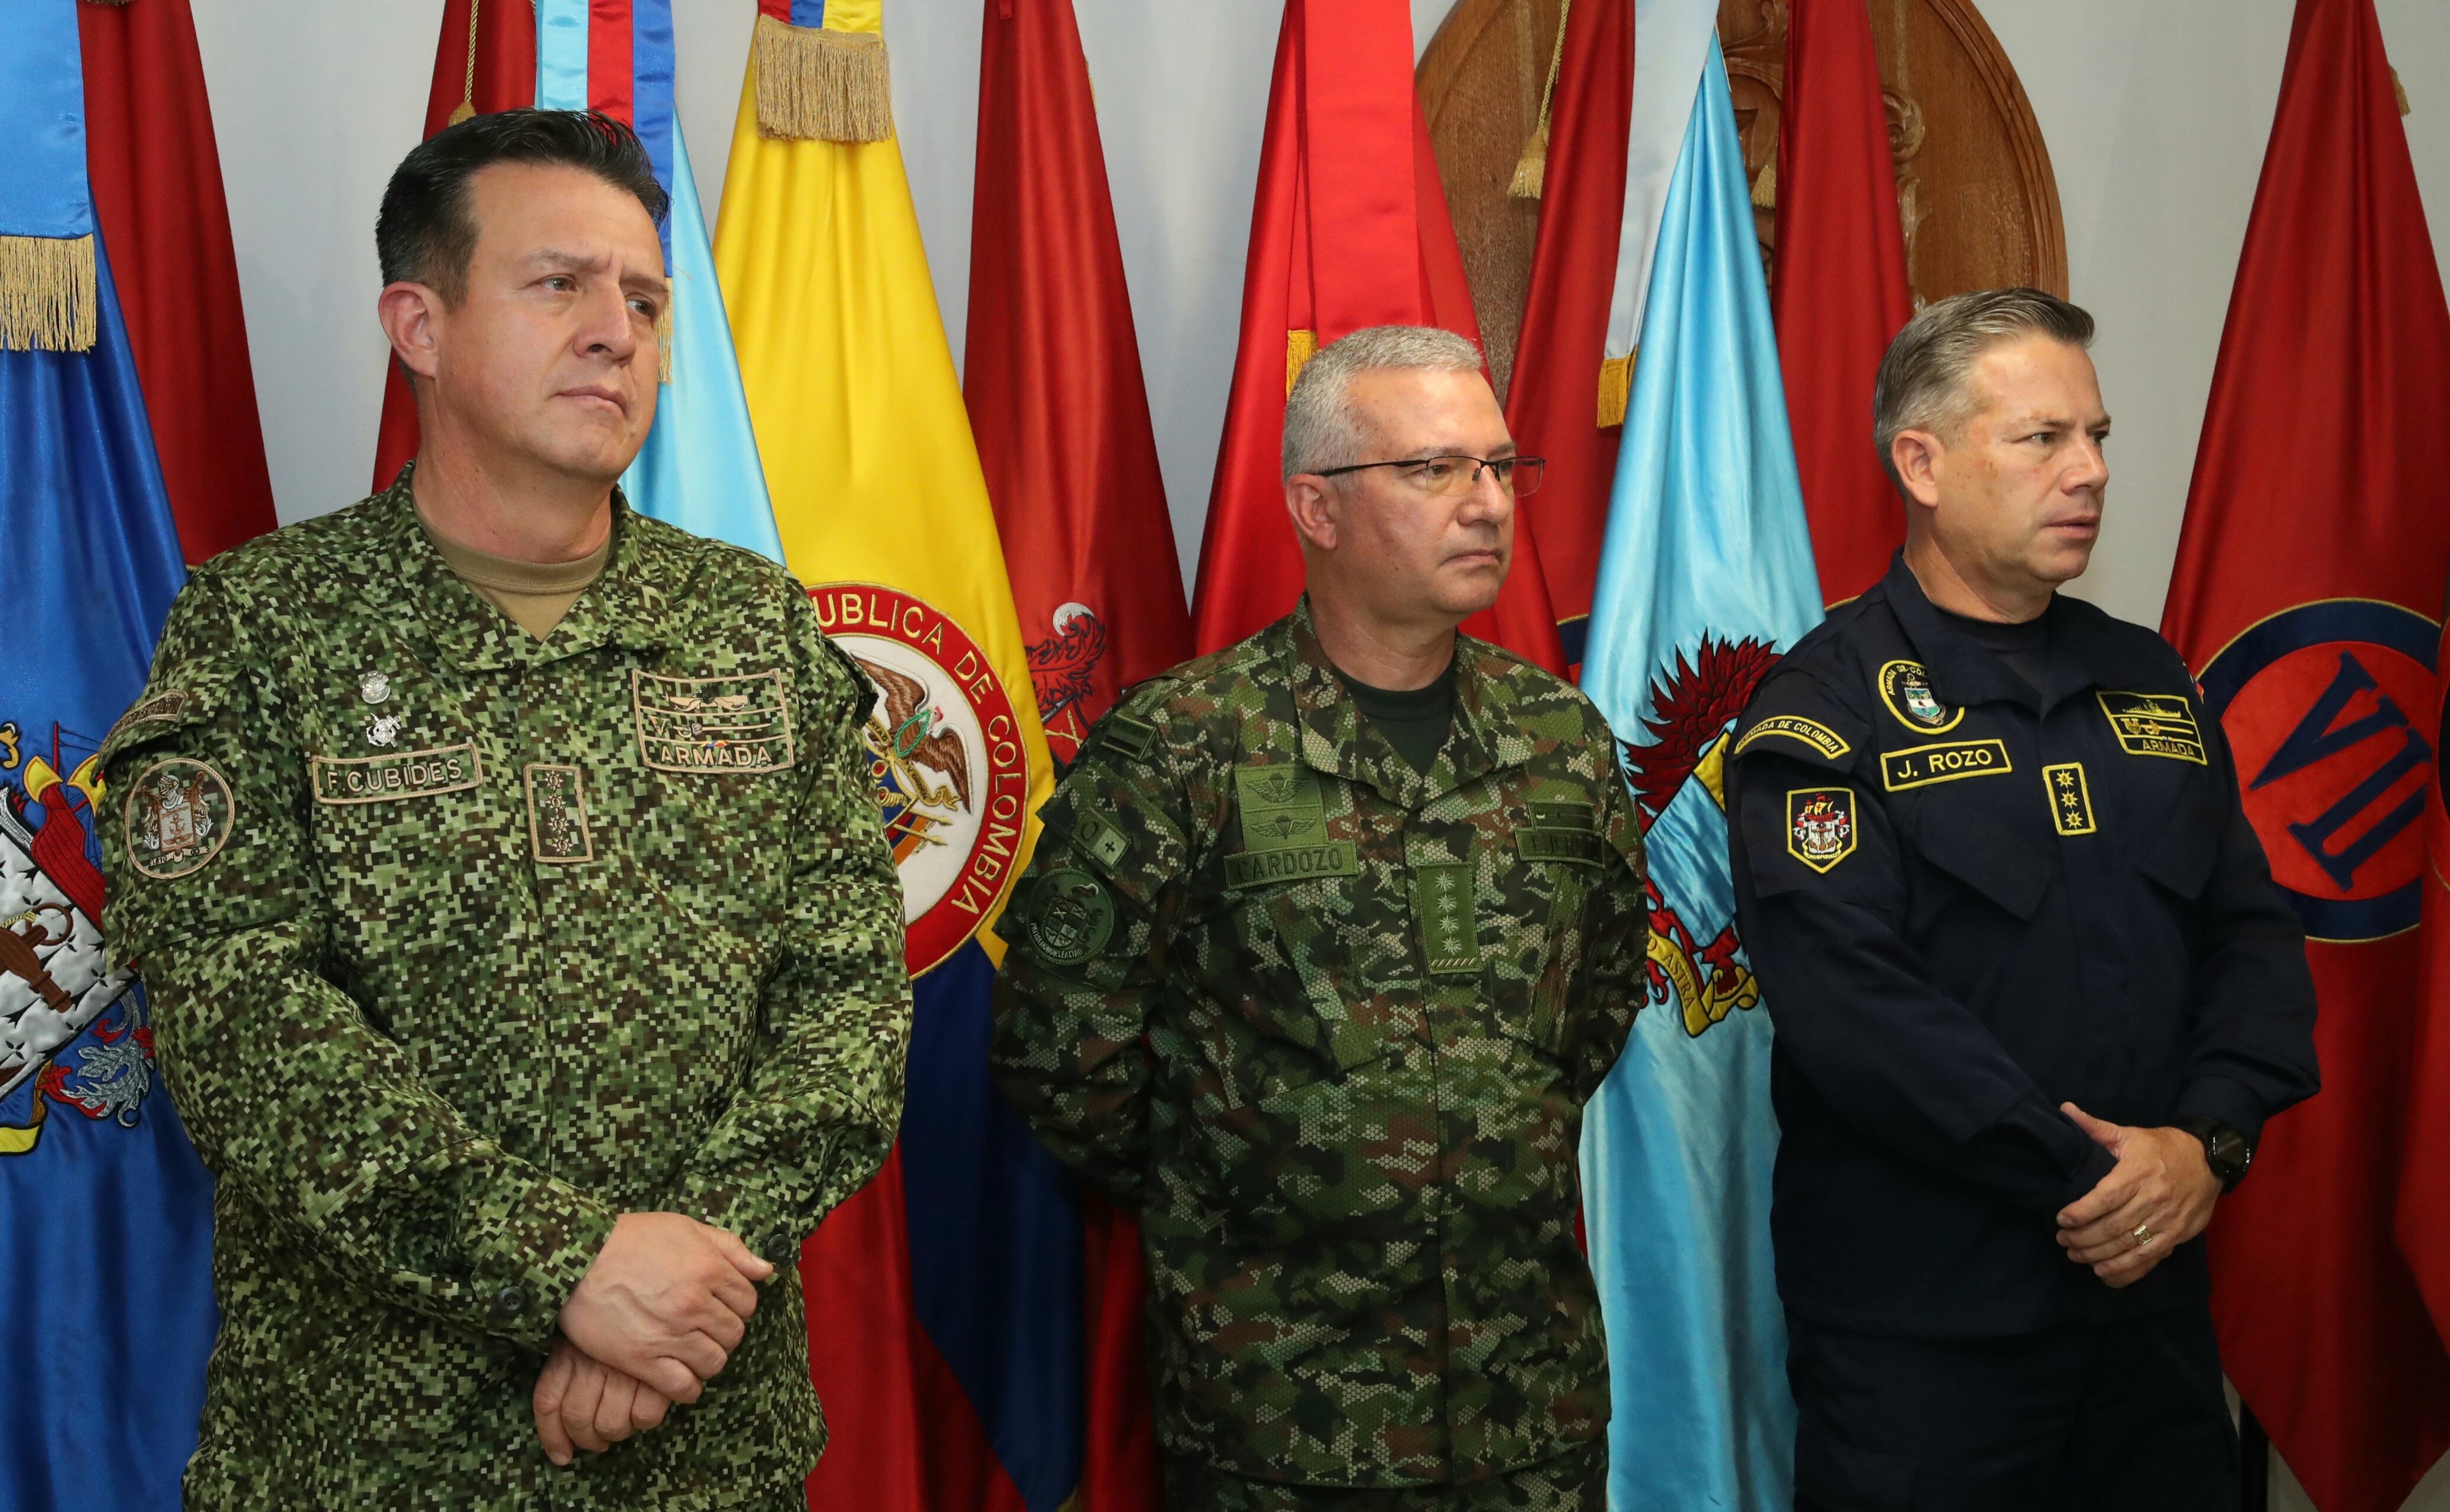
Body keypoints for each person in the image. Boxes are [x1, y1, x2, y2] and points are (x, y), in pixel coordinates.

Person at [99, 109, 910, 1510]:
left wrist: (669, 1293)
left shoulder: (751, 625)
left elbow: (848, 1001)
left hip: (705, 1443)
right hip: (367, 1458)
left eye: (645, 300)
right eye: (559, 285)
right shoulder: (262, 630)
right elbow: (242, 1023)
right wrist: (572, 1264)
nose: (618, 332)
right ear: (418, 323)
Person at [992, 325, 1648, 1510]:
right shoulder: (1183, 746)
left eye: (1500, 468)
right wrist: (1257, 1176)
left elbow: (1592, 1015)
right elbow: (1062, 1055)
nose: (1486, 504)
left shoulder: (1562, 742)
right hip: (1285, 1421)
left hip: (1528, 1410)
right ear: (1318, 507)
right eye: (1433, 469)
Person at [1725, 288, 2319, 1509]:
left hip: (2147, 1317)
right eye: (2043, 439)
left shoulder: (2147, 678)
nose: (2088, 471)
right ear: (1922, 462)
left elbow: (2250, 936)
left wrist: (2204, 1146)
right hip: (1930, 1339)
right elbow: (1858, 1014)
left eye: (2096, 436)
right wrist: (2105, 1178)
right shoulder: (1821, 709)